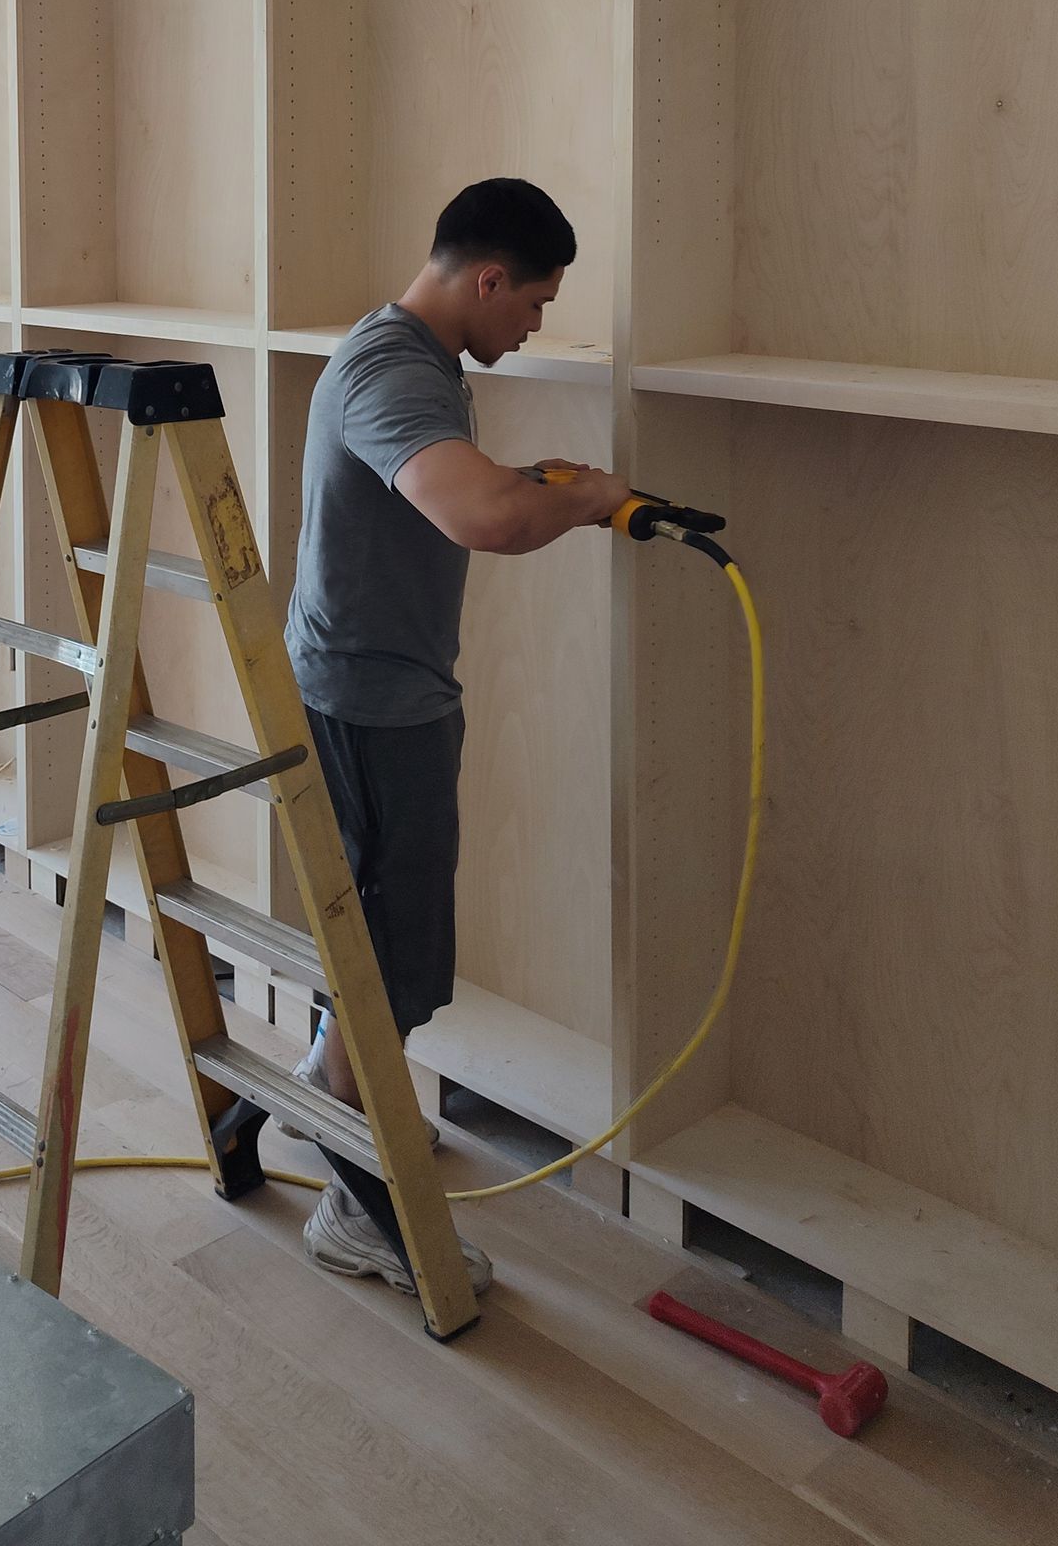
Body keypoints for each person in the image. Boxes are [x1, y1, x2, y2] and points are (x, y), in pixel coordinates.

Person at [285, 177, 632, 1296]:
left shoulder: (414, 361)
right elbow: (479, 515)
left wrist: (546, 480)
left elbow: (479, 487)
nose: (534, 326)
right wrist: (578, 501)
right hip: (371, 707)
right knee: (389, 959)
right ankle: (355, 1198)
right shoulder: (391, 371)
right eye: (532, 303)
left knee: (379, 947)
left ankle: (332, 1092)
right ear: (486, 280)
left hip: (380, 690)